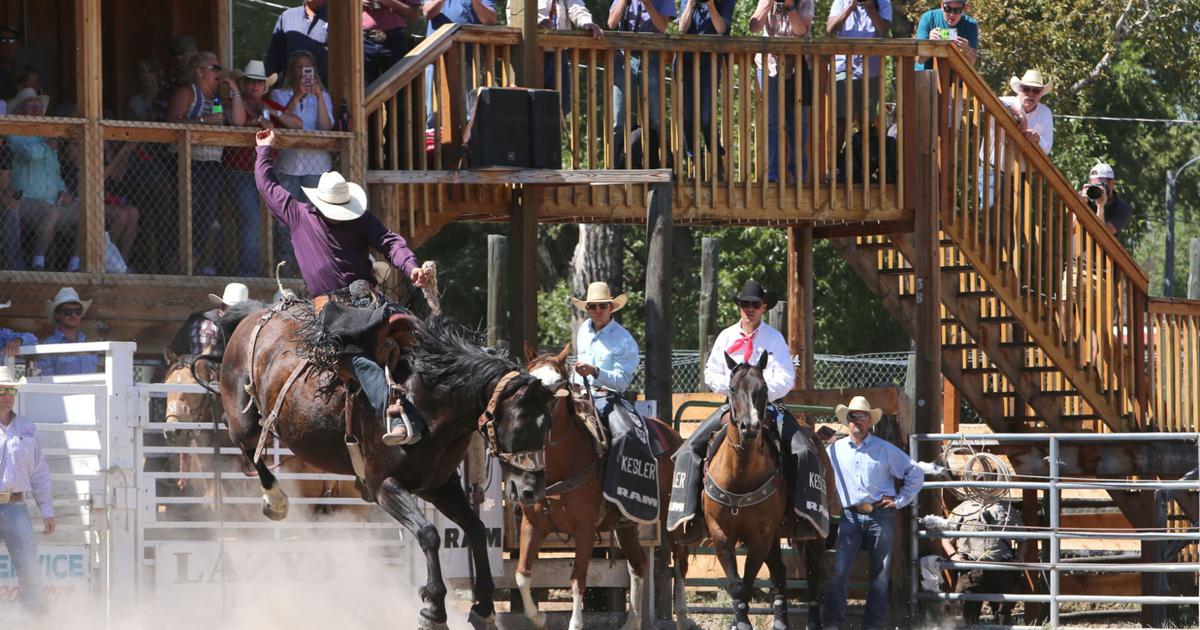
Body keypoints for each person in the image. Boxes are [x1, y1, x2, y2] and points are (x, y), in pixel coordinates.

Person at [254, 128, 430, 446]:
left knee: (414, 332)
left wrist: (411, 267)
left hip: (367, 300)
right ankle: (393, 412)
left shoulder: (357, 218)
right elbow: (268, 186)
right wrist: (263, 151)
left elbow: (390, 242)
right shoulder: (298, 214)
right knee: (355, 356)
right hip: (333, 310)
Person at [668, 281, 831, 539]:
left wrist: (759, 393)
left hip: (771, 407)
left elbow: (787, 378)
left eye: (755, 304)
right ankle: (691, 517)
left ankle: (804, 515)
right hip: (732, 408)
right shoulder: (726, 337)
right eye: (745, 304)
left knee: (803, 449)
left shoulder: (774, 339)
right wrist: (737, 391)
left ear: (764, 307)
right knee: (689, 448)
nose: (749, 309)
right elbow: (711, 373)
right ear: (739, 307)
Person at [824, 395, 924, 630]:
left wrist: (900, 501)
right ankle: (832, 624)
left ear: (870, 421)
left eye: (862, 416)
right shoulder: (833, 451)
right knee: (840, 572)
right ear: (847, 421)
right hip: (850, 515)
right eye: (853, 416)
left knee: (879, 575)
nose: (858, 420)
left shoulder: (884, 450)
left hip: (880, 514)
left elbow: (915, 471)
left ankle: (873, 625)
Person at [569, 282, 660, 521]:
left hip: (606, 396)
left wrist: (595, 371)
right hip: (576, 394)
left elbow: (621, 382)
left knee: (624, 434)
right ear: (587, 309)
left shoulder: (624, 340)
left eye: (602, 306)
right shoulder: (583, 330)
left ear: (611, 308)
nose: (597, 310)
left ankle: (619, 495)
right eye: (592, 306)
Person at [166, 51, 246, 275]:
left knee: (205, 217)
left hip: (212, 164)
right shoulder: (188, 92)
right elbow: (172, 123)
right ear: (200, 72)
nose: (219, 73)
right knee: (184, 217)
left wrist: (236, 92)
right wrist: (203, 121)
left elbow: (239, 122)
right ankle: (177, 269)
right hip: (187, 164)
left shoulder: (218, 98)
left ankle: (194, 266)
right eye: (215, 69)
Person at [268, 50, 335, 266]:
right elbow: (283, 121)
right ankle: (287, 264)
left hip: (316, 166)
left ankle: (311, 264)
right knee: (287, 218)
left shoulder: (323, 96)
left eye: (308, 68)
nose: (303, 72)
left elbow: (326, 126)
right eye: (299, 67)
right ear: (291, 70)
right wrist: (297, 96)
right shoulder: (280, 94)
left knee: (314, 217)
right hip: (288, 164)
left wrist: (318, 97)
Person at [0, 365, 56, 620]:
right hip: (13, 509)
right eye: (2, 389)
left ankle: (37, 620)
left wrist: (47, 510)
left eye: (11, 389)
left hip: (16, 505)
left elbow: (39, 471)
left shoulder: (26, 427)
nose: (8, 394)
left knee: (30, 567)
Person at [5, 88, 71, 271]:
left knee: (86, 210)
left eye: (39, 106)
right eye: (31, 105)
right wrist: (46, 145)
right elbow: (29, 154)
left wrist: (63, 190)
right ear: (20, 111)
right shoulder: (13, 134)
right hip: (24, 201)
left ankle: (76, 266)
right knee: (52, 213)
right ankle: (38, 265)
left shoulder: (45, 137)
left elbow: (55, 172)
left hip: (53, 202)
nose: (37, 109)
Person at [750, 0, 815, 183]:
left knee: (798, 124)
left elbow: (800, 31)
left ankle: (799, 176)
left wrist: (790, 7)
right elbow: (754, 27)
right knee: (772, 122)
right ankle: (772, 175)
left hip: (798, 68)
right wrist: (767, 4)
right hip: (769, 66)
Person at [505, 0, 604, 114]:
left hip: (559, 53)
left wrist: (587, 22)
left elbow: (576, 7)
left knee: (561, 106)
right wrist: (535, 23)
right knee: (529, 105)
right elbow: (513, 13)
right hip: (530, 54)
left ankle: (554, 131)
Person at [608, 0, 675, 166]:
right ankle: (615, 163)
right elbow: (611, 23)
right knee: (618, 117)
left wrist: (648, 4)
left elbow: (662, 27)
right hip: (624, 57)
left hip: (651, 57)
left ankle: (659, 161)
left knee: (656, 116)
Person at [226, 60, 277, 275]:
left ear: (265, 86)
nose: (254, 87)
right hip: (238, 170)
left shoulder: (270, 105)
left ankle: (269, 268)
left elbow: (298, 122)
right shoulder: (232, 101)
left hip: (264, 172)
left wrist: (274, 119)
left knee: (271, 221)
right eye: (250, 82)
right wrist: (236, 91)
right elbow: (236, 122)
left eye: (259, 83)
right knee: (252, 219)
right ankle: (249, 272)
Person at [826, 0, 891, 162]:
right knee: (840, 120)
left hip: (871, 71)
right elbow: (830, 28)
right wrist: (851, 6)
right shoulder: (841, 2)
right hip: (842, 68)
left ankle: (863, 168)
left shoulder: (882, 2)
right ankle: (833, 168)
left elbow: (883, 30)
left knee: (866, 121)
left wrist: (869, 6)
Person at [942, 498, 1023, 625]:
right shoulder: (964, 508)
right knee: (965, 611)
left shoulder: (1006, 508)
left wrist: (1019, 557)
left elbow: (1023, 538)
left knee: (1003, 612)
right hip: (971, 566)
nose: (985, 486)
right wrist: (953, 555)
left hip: (1000, 566)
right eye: (982, 480)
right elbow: (945, 537)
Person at [423, 0, 497, 128]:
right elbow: (428, 12)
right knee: (435, 113)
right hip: (436, 57)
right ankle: (436, 146)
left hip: (469, 58)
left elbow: (490, 20)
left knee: (469, 112)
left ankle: (468, 145)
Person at [678, 0, 734, 166]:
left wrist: (710, 5)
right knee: (687, 115)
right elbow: (682, 28)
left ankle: (714, 151)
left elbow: (721, 29)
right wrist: (690, 3)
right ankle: (695, 157)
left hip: (711, 60)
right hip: (686, 60)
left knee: (706, 116)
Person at [167, 282, 250, 362]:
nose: (236, 315)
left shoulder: (247, 327)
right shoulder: (205, 325)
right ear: (222, 308)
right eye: (233, 310)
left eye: (239, 312)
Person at [265, 0, 330, 85]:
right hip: (286, 91)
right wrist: (267, 85)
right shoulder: (287, 16)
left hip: (322, 92)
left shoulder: (338, 21)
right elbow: (273, 59)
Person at [40, 287, 101, 376]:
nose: (73, 315)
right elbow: (46, 381)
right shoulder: (48, 346)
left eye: (77, 311)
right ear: (57, 315)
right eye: (67, 312)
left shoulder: (88, 342)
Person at [363, 0, 421, 85]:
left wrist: (389, 2)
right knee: (364, 90)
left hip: (394, 40)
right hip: (363, 41)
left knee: (398, 86)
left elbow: (414, 14)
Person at [915, 0, 978, 70]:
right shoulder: (928, 18)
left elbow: (972, 62)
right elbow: (919, 60)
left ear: (964, 8)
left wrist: (966, 49)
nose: (952, 14)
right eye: (947, 9)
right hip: (926, 75)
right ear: (942, 6)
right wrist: (929, 43)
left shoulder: (970, 24)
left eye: (957, 10)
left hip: (954, 78)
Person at [1077, 162, 1132, 236]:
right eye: (1094, 185)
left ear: (1112, 184)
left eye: (1100, 185)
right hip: (1079, 247)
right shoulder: (1083, 197)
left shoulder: (1122, 208)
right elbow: (1072, 228)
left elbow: (1104, 236)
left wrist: (1100, 207)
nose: (1097, 189)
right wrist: (1081, 204)